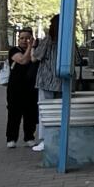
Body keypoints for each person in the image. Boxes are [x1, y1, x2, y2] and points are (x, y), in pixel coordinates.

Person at [31, 15, 63, 153]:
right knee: (59, 111)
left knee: (45, 111)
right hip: (62, 80)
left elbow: (34, 58)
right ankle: (58, 138)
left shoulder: (48, 40)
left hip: (46, 80)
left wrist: (33, 47)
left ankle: (45, 140)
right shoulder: (67, 40)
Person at [4, 27, 39, 148]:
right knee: (14, 113)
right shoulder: (14, 50)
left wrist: (33, 47)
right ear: (18, 39)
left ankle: (29, 137)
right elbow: (23, 60)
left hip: (30, 87)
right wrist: (30, 47)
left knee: (30, 113)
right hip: (15, 87)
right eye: (22, 38)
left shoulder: (35, 50)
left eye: (27, 38)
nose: (24, 41)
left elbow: (34, 59)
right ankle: (11, 138)